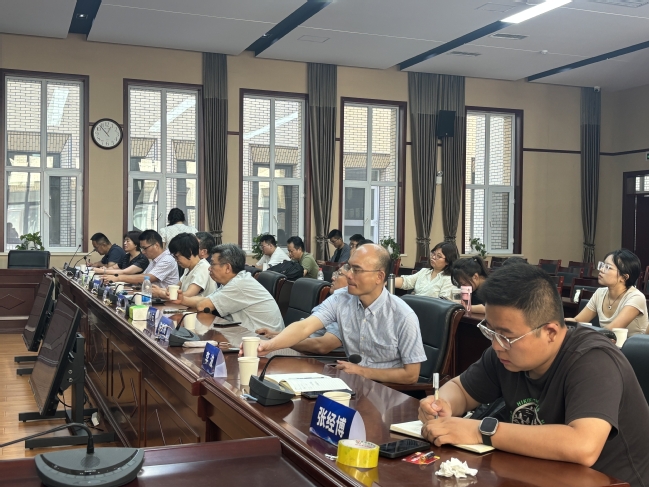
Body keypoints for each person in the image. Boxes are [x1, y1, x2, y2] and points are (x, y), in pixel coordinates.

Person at [418, 264, 649, 487]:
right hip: (539, 473)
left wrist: (480, 430)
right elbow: (461, 389)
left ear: (550, 332)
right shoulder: (505, 354)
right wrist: (443, 403)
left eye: (506, 336)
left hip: (610, 481)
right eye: (491, 331)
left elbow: (583, 446)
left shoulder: (594, 360)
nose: (496, 345)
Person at [254, 244, 426, 384]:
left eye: (357, 270)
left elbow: (411, 375)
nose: (348, 275)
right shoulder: (342, 298)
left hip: (388, 394)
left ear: (379, 277)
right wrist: (268, 345)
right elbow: (304, 327)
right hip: (351, 382)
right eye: (349, 267)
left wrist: (363, 371)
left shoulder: (403, 316)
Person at [170, 244, 284, 333]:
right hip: (247, 335)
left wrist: (186, 300)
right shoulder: (233, 281)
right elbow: (207, 300)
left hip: (263, 341)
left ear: (227, 268)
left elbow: (203, 305)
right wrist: (183, 300)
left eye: (212, 264)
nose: (209, 268)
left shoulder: (239, 284)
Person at [257, 270, 348, 354]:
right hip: (300, 350)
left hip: (315, 358)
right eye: (335, 273)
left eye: (339, 274)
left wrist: (277, 342)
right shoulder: (334, 300)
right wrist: (274, 334)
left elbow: (322, 345)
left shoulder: (347, 307)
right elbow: (305, 330)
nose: (333, 278)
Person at [568, 249, 648, 336]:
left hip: (632, 344)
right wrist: (560, 323)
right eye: (602, 265)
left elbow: (610, 330)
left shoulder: (636, 297)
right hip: (606, 341)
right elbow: (578, 321)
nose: (601, 270)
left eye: (608, 267)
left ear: (624, 277)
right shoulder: (600, 293)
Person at [101, 230, 178, 288]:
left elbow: (148, 278)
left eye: (145, 248)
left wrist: (118, 278)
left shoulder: (167, 260)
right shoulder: (155, 259)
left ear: (156, 245)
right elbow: (143, 275)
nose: (143, 252)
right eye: (142, 249)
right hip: (151, 295)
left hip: (164, 301)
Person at [153, 233, 216, 299]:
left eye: (177, 257)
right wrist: (158, 290)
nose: (176, 260)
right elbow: (175, 288)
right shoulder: (188, 268)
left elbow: (188, 295)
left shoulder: (203, 268)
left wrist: (160, 293)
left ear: (189, 251)